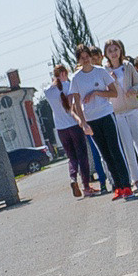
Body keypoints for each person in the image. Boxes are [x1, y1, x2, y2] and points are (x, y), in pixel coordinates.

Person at [68, 42, 135, 198]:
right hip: (92, 120)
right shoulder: (76, 78)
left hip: (106, 115)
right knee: (105, 154)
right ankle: (117, 187)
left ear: (91, 57)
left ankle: (126, 185)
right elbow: (76, 103)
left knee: (115, 150)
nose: (85, 60)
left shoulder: (100, 72)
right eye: (82, 58)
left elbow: (113, 93)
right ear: (78, 60)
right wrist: (83, 123)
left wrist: (97, 93)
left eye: (87, 57)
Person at [102, 40, 138, 189]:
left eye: (116, 49)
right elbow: (106, 94)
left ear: (121, 50)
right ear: (106, 54)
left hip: (133, 110)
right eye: (110, 51)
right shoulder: (105, 71)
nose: (114, 53)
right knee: (127, 148)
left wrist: (134, 89)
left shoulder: (128, 66)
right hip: (118, 114)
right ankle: (136, 180)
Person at [41, 63, 97, 198]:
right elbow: (75, 107)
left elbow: (53, 91)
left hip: (61, 129)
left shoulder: (48, 91)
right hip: (74, 126)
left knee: (71, 157)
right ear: (64, 74)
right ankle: (86, 186)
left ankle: (73, 178)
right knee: (82, 156)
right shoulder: (69, 86)